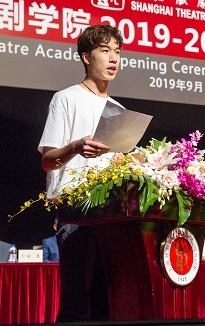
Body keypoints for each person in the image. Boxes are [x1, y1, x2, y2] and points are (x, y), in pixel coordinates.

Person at [38, 24, 123, 322]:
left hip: (111, 215)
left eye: (117, 52)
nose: (113, 58)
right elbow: (47, 161)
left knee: (107, 304)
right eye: (105, 50)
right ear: (86, 57)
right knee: (77, 304)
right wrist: (74, 147)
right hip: (77, 212)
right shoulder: (66, 98)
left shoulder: (117, 108)